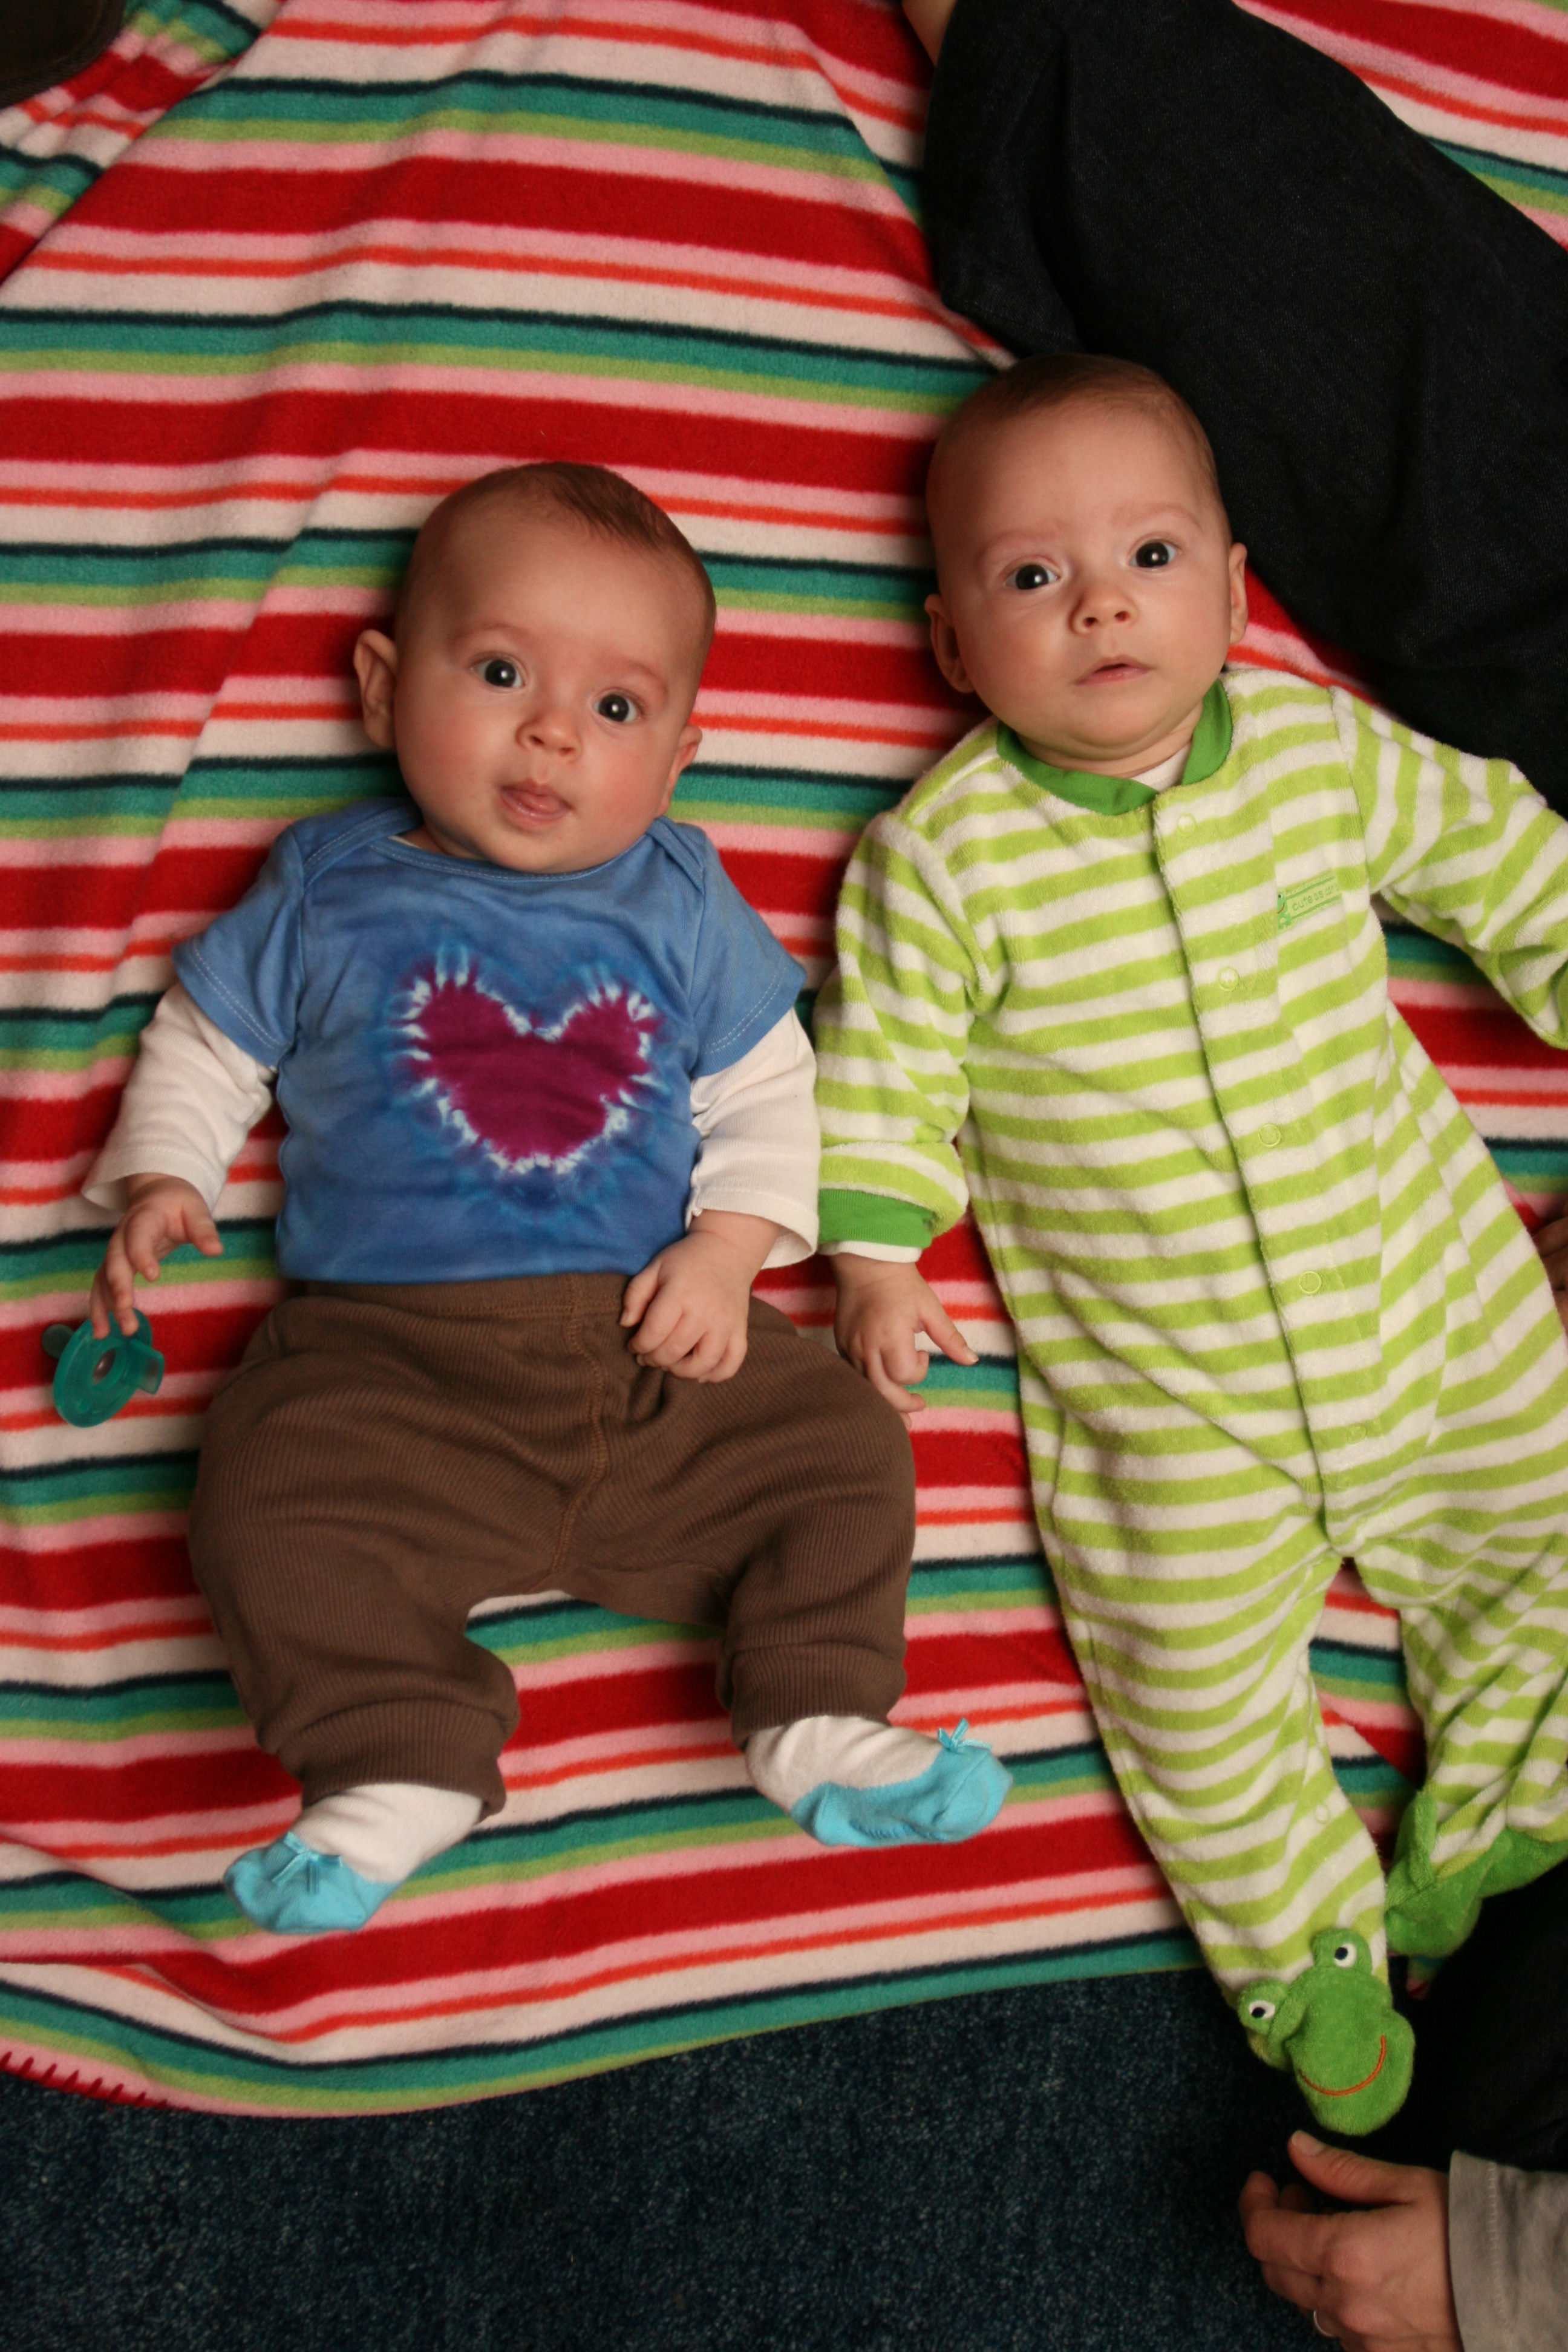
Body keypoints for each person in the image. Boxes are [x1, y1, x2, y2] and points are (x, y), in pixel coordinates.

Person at [82, 460, 1011, 1937]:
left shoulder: (681, 897)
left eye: (617, 707)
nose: (553, 731)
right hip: (388, 1368)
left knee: (846, 1450)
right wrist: (166, 1173)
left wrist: (730, 1251)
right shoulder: (328, 886)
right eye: (503, 672)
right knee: (263, 1493)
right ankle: (399, 1754)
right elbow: (207, 1045)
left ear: (681, 756)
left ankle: (815, 1710)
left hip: (654, 1347)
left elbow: (772, 1090)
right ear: (383, 687)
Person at [811, 353, 1568, 2134]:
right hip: (1175, 1399)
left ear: (1233, 591)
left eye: (1149, 556)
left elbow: (1496, 848)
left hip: (1433, 1308)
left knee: (1549, 1539)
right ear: (952, 644)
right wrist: (876, 1258)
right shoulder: (947, 857)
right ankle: (1305, 1945)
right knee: (1187, 1688)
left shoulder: (1316, 753)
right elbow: (881, 1068)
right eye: (1032, 576)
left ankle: (1505, 1820)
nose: (1100, 603)